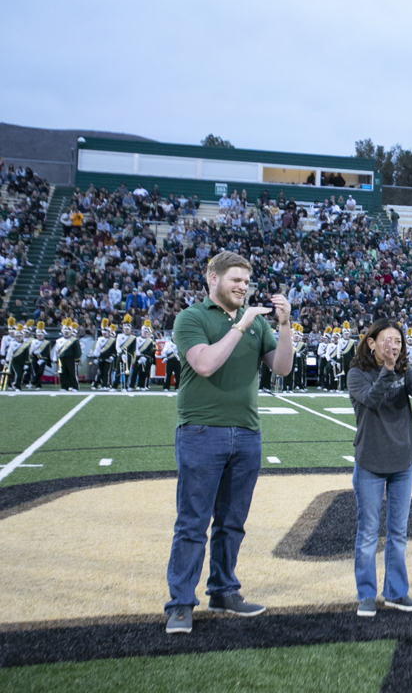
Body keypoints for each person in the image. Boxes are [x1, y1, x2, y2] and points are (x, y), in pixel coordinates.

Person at [164, 251, 293, 635]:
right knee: (192, 524)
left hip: (247, 433)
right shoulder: (192, 317)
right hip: (202, 432)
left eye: (246, 281)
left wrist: (285, 326)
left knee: (232, 523)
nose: (242, 287)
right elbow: (204, 364)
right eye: (234, 279)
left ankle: (223, 590)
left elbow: (282, 368)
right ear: (212, 278)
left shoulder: (256, 324)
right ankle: (181, 604)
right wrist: (240, 325)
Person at [347, 319, 412, 618]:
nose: (394, 346)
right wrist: (388, 370)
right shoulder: (357, 373)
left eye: (398, 341)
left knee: (398, 533)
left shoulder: (403, 367)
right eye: (387, 340)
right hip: (371, 461)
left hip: (402, 460)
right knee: (368, 534)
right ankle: (366, 595)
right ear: (371, 343)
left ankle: (396, 592)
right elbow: (372, 400)